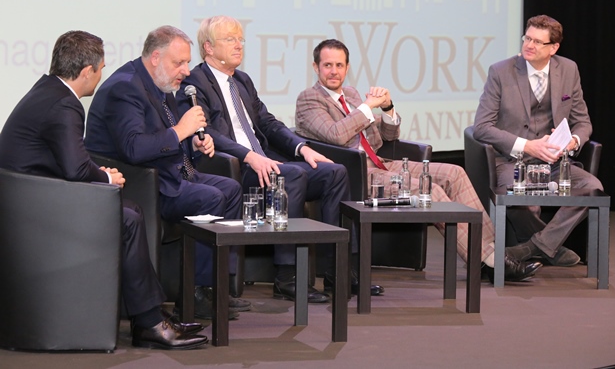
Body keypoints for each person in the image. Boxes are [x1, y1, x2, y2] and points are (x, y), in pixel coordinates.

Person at [0, 31, 207, 350]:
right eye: (100, 68)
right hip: (35, 209)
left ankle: (151, 317)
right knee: (127, 217)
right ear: (87, 71)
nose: (101, 75)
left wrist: (99, 173)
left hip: (29, 199)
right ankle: (149, 322)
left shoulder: (49, 91)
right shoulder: (64, 104)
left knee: (129, 211)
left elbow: (68, 158)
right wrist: (106, 178)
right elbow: (75, 169)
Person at [295, 39, 542, 283]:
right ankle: (490, 261)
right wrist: (368, 107)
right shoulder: (309, 99)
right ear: (316, 67)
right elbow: (336, 135)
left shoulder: (350, 94)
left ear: (347, 68)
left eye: (339, 65)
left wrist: (388, 109)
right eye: (327, 65)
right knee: (429, 190)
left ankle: (493, 252)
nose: (334, 71)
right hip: (355, 174)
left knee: (455, 173)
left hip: (381, 163)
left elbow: (388, 137)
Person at [175, 16, 382, 299]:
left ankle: (341, 272)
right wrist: (249, 156)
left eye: (240, 39)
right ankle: (287, 276)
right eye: (230, 39)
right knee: (291, 175)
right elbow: (206, 131)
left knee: (334, 172)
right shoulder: (195, 83)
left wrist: (302, 148)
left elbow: (268, 123)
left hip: (266, 162)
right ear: (208, 47)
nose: (239, 45)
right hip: (234, 169)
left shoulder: (242, 80)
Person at [84, 25, 249, 320]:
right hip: (143, 185)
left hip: (171, 173)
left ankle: (215, 284)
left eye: (187, 62)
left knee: (232, 188)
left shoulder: (160, 84)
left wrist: (194, 143)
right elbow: (134, 148)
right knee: (211, 197)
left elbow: (168, 137)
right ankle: (194, 294)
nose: (186, 71)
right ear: (156, 57)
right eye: (179, 63)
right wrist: (181, 131)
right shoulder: (125, 88)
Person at [473, 14, 603, 267]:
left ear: (554, 48)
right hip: (513, 162)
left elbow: (583, 122)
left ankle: (532, 248)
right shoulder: (501, 71)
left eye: (537, 42)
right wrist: (527, 146)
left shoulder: (568, 69)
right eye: (527, 38)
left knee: (593, 187)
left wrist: (573, 141)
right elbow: (481, 127)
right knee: (525, 203)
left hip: (554, 162)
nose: (529, 45)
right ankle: (551, 248)